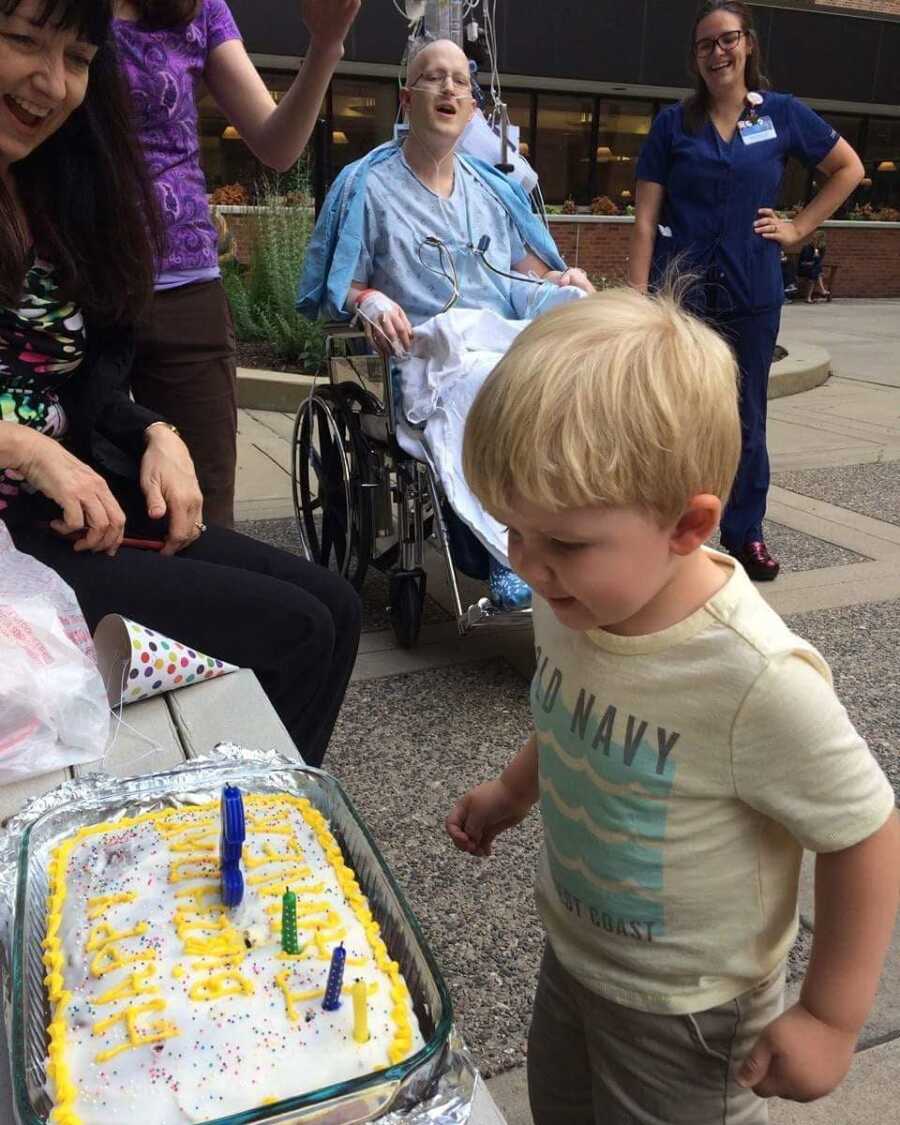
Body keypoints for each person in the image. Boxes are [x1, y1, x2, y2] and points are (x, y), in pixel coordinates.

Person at [445, 289, 899, 1125]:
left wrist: (832, 1016)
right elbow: (569, 713)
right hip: (577, 957)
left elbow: (865, 829)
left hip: (696, 1008)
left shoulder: (754, 674)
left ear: (688, 525)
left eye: (565, 542)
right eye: (515, 532)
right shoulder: (575, 598)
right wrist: (511, 793)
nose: (532, 568)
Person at [0, 0, 360, 767]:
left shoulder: (51, 185)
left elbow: (85, 381)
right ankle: (224, 828)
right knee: (293, 630)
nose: (51, 82)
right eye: (25, 40)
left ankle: (243, 826)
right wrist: (24, 448)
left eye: (78, 57)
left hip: (62, 510)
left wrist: (150, 430)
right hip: (16, 535)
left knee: (335, 606)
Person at [297, 36, 593, 606]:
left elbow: (522, 277)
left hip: (495, 341)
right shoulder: (368, 187)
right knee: (487, 386)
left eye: (460, 80)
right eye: (435, 77)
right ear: (407, 100)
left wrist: (564, 286)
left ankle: (575, 534)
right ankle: (506, 548)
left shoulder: (492, 190)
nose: (449, 88)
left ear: (474, 107)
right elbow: (343, 285)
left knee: (574, 372)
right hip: (427, 353)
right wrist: (371, 302)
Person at [628, 0, 864, 581]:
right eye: (706, 44)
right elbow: (643, 219)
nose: (717, 52)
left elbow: (849, 168)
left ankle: (745, 531)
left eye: (727, 39)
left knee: (744, 416)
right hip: (679, 296)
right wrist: (635, 298)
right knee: (678, 415)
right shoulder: (672, 125)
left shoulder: (781, 114)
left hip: (750, 290)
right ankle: (674, 530)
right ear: (695, 57)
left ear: (748, 44)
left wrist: (798, 229)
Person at [113, 0, 361, 527]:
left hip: (184, 293)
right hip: (75, 285)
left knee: (200, 514)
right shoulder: (58, 11)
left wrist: (324, 47)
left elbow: (277, 145)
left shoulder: (199, 10)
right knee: (87, 502)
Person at [798, 230, 829, 302]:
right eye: (815, 239)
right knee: (817, 270)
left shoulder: (822, 249)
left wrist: (816, 251)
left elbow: (818, 260)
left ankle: (808, 298)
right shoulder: (806, 247)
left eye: (818, 240)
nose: (815, 241)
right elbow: (803, 261)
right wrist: (811, 262)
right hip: (803, 267)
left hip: (813, 269)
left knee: (814, 273)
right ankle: (822, 289)